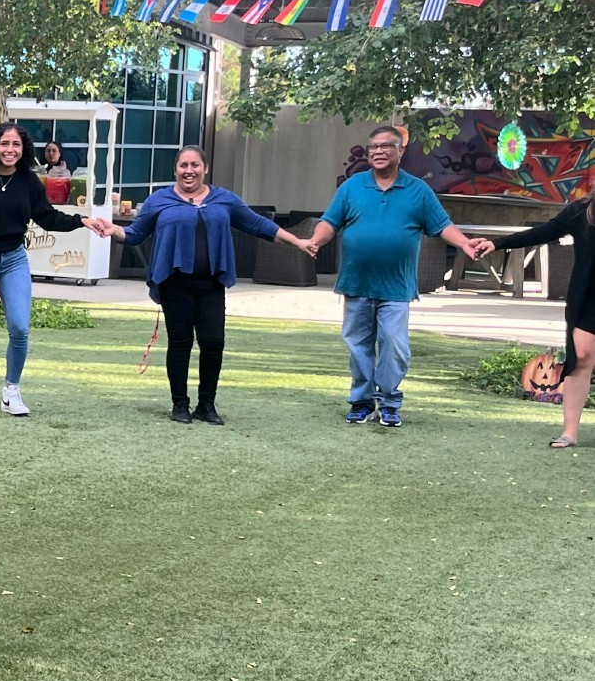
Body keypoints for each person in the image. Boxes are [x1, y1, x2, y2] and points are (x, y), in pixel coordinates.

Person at [92, 146, 312, 425]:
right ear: (176, 169)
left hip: (210, 284)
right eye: (183, 165)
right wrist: (116, 231)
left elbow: (260, 226)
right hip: (175, 284)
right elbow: (136, 234)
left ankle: (206, 404)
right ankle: (180, 404)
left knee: (213, 342)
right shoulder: (159, 200)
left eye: (195, 165)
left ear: (205, 169)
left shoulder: (224, 199)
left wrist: (298, 242)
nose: (189, 171)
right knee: (181, 343)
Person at [303, 125, 481, 427]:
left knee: (394, 346)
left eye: (386, 146)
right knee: (358, 345)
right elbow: (329, 221)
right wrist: (316, 240)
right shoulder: (352, 187)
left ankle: (388, 402)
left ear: (400, 151)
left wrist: (464, 243)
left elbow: (441, 225)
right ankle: (361, 402)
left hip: (396, 287)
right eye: (373, 147)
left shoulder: (417, 190)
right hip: (357, 282)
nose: (378, 152)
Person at [0, 122, 100, 416]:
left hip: (15, 258)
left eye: (16, 145)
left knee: (19, 327)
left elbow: (47, 217)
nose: (10, 150)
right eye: (4, 144)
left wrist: (81, 220)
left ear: (24, 149)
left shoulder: (29, 182)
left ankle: (11, 391)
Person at [472, 205, 595, 446]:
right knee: (581, 358)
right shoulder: (583, 212)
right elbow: (544, 232)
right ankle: (570, 433)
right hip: (588, 297)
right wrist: (497, 244)